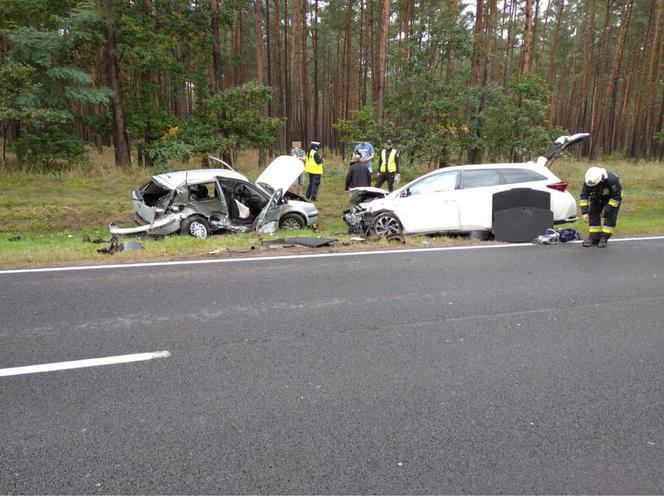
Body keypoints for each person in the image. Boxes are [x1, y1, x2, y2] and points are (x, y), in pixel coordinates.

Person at [580, 166, 623, 248]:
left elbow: (617, 196)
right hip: (597, 197)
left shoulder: (612, 180)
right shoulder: (588, 181)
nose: (591, 187)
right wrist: (584, 212)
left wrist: (607, 209)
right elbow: (583, 196)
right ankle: (594, 238)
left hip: (613, 198)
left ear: (601, 179)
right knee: (593, 214)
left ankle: (604, 239)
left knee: (610, 216)